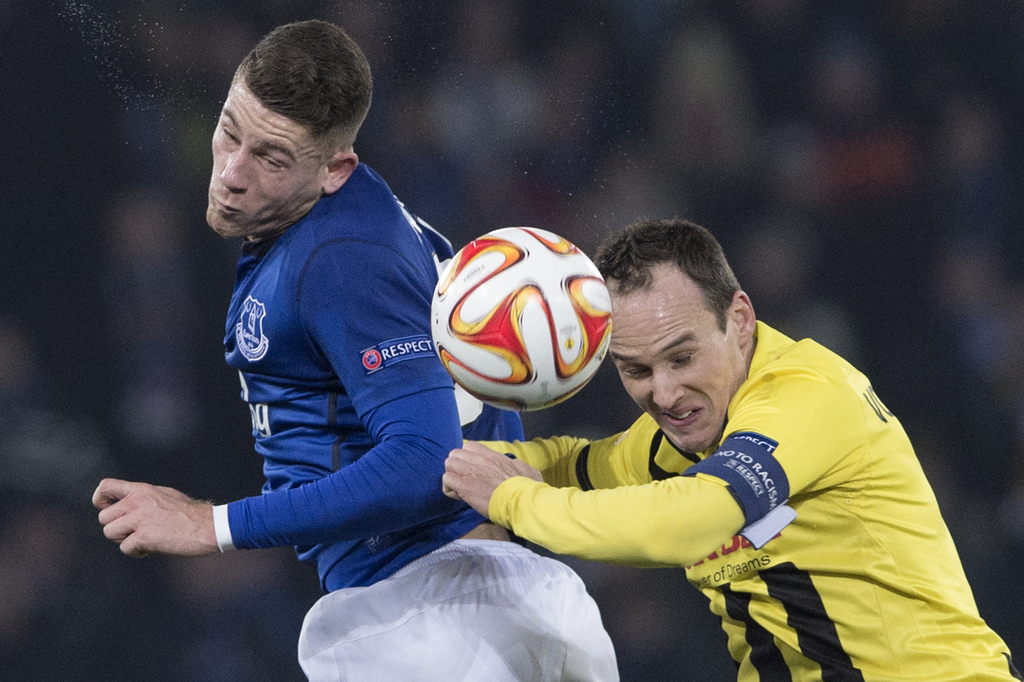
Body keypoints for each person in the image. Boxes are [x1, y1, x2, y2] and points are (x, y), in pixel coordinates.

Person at [92, 20, 618, 682]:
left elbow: (427, 460)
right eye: (230, 131)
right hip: (497, 606)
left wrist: (212, 525)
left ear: (336, 167)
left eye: (272, 158)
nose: (230, 173)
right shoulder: (368, 228)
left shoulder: (341, 260)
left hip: (432, 621)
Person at [443, 218, 1021, 681]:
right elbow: (571, 465)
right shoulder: (679, 433)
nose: (664, 393)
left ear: (739, 319)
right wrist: (445, 459)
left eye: (682, 357)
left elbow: (691, 520)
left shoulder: (807, 397)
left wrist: (512, 500)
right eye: (636, 369)